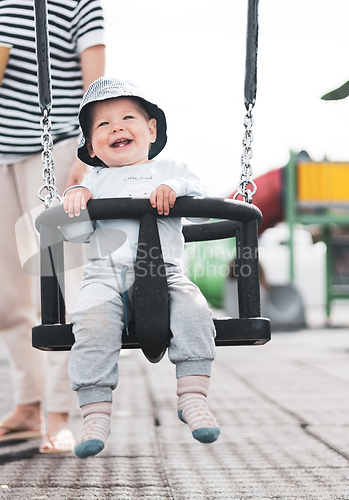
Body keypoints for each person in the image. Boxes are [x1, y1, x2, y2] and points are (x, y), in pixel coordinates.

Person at [0, 0, 105, 454]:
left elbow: (97, 87)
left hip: (56, 143)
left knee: (59, 282)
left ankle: (61, 413)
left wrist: (88, 159)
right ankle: (27, 406)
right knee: (9, 288)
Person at [62, 77, 220, 458]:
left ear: (150, 129)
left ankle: (193, 397)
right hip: (105, 275)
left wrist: (176, 189)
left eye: (127, 117)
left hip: (165, 272)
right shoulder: (94, 180)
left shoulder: (170, 168)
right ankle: (95, 411)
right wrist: (76, 196)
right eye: (103, 124)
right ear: (92, 147)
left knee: (195, 313)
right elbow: (77, 233)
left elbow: (201, 194)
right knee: (91, 322)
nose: (116, 127)